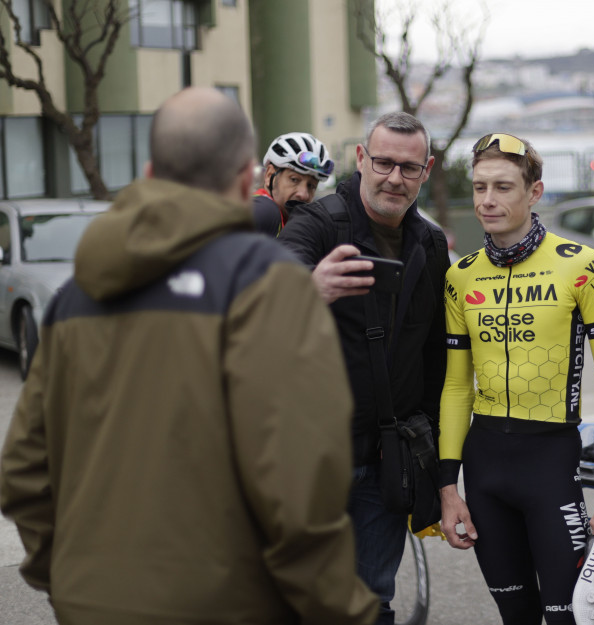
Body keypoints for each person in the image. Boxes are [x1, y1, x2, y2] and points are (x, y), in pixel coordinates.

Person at [0, 87, 378, 625]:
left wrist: (66, 575)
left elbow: (24, 474)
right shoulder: (269, 286)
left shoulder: (73, 298)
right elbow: (302, 483)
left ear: (152, 170)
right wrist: (341, 609)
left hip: (91, 601)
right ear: (248, 173)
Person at [438, 133, 594, 625]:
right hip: (485, 468)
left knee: (570, 616)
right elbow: (457, 387)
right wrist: (447, 486)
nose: (487, 200)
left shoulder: (581, 265)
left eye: (503, 187)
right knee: (516, 614)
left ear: (534, 192)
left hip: (550, 460)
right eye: (480, 186)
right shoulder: (460, 276)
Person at [278, 112, 450, 625]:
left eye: (409, 167)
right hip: (311, 456)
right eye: (383, 162)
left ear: (426, 170)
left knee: (372, 599)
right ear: (360, 159)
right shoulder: (320, 222)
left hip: (388, 458)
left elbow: (436, 357)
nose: (394, 177)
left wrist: (440, 461)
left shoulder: (432, 243)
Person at [253, 131, 334, 236]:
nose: (304, 194)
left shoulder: (288, 222)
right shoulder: (266, 210)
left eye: (311, 186)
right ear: (269, 175)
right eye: (294, 180)